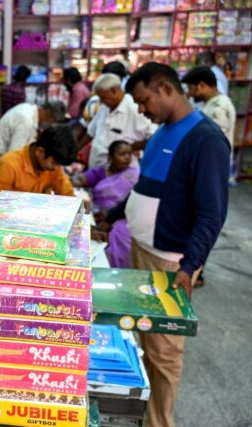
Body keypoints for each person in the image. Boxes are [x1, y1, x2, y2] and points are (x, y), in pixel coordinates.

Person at [99, 62, 229, 427]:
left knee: (165, 350)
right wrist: (111, 215)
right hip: (141, 252)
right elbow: (144, 188)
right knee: (143, 339)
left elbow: (211, 213)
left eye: (143, 101)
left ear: (166, 89)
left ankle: (160, 422)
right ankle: (144, 411)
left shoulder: (205, 140)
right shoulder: (160, 133)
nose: (141, 110)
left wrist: (190, 266)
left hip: (169, 262)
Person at [72, 140, 138, 268]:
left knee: (120, 232)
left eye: (129, 154)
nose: (127, 158)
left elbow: (134, 201)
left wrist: (111, 214)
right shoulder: (101, 172)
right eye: (122, 154)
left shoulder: (133, 175)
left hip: (123, 216)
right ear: (110, 157)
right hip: (98, 216)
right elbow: (80, 179)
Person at [0, 101, 66, 194]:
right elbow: (14, 156)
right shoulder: (26, 122)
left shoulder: (28, 109)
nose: (50, 125)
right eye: (52, 121)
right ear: (49, 115)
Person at [0, 124, 77, 209]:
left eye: (59, 165)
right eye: (54, 163)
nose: (56, 168)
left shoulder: (54, 167)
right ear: (40, 152)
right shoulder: (8, 166)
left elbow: (68, 197)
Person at [82, 73, 158, 168]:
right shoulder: (104, 107)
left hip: (120, 173)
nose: (101, 101)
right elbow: (91, 132)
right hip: (97, 169)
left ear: (114, 91)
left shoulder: (134, 109)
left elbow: (155, 136)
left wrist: (132, 147)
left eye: (103, 97)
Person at [182, 66, 237, 184]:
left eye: (191, 88)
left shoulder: (220, 106)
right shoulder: (210, 103)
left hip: (212, 167)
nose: (190, 93)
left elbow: (212, 140)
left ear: (201, 86)